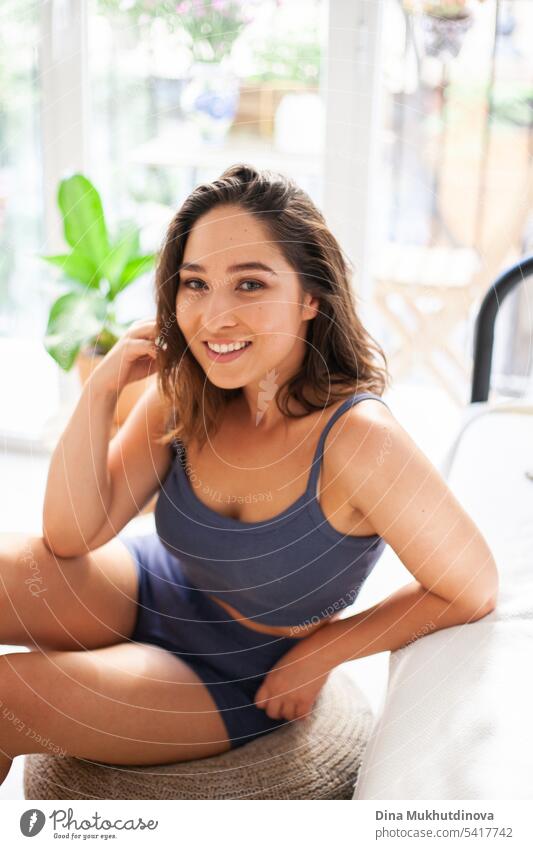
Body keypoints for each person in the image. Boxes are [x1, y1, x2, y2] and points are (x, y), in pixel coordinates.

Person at [0, 164, 498, 783]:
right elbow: (71, 536)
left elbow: (471, 586)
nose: (215, 317)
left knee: (7, 696)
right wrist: (101, 390)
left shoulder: (359, 441)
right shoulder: (186, 393)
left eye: (251, 285)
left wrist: (324, 651)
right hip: (151, 586)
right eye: (196, 284)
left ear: (312, 296)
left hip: (240, 672)